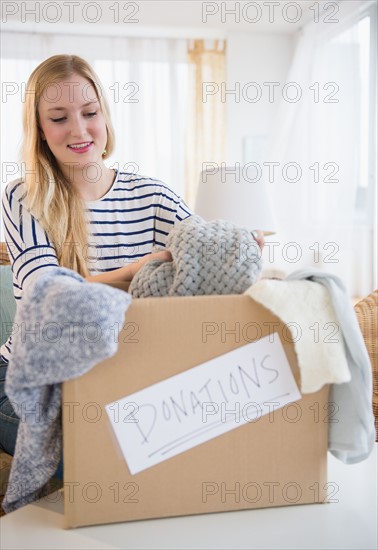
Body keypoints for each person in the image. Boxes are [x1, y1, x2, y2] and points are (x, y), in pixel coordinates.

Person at [0, 54, 264, 470]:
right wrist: (135, 271)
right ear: (39, 129)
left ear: (105, 114)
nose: (79, 129)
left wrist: (238, 247)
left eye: (89, 112)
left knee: (184, 438)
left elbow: (205, 249)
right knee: (102, 455)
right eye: (58, 117)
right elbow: (47, 296)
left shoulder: (151, 195)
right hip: (32, 381)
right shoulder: (24, 196)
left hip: (121, 375)